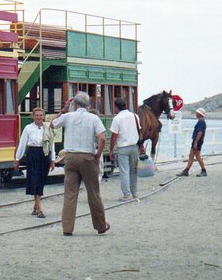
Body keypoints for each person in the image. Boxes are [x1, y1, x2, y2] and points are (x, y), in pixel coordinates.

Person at [51, 91, 109, 236]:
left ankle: (67, 228)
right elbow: (102, 139)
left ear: (74, 104)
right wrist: (98, 155)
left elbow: (52, 125)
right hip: (87, 157)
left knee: (70, 194)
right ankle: (100, 226)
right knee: (93, 193)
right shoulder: (93, 118)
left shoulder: (68, 116)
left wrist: (63, 110)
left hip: (70, 157)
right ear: (88, 104)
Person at [16, 107, 54, 217]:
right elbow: (22, 143)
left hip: (45, 154)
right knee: (35, 179)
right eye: (36, 115)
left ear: (44, 116)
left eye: (40, 115)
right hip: (33, 153)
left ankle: (35, 206)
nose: (38, 117)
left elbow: (51, 144)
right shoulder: (28, 128)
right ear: (33, 116)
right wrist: (17, 158)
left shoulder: (48, 128)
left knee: (41, 179)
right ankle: (39, 210)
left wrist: (52, 160)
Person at [109, 97, 141, 201]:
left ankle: (126, 194)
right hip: (135, 147)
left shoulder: (117, 118)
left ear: (117, 107)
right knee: (134, 171)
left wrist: (111, 150)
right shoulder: (135, 116)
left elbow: (114, 136)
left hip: (123, 148)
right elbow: (139, 131)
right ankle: (135, 193)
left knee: (124, 171)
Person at [178, 108, 208, 176]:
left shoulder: (201, 122)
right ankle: (187, 170)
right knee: (194, 156)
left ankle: (202, 170)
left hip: (197, 141)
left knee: (195, 156)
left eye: (197, 112)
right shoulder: (202, 121)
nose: (196, 113)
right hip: (198, 141)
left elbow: (200, 132)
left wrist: (196, 142)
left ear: (200, 114)